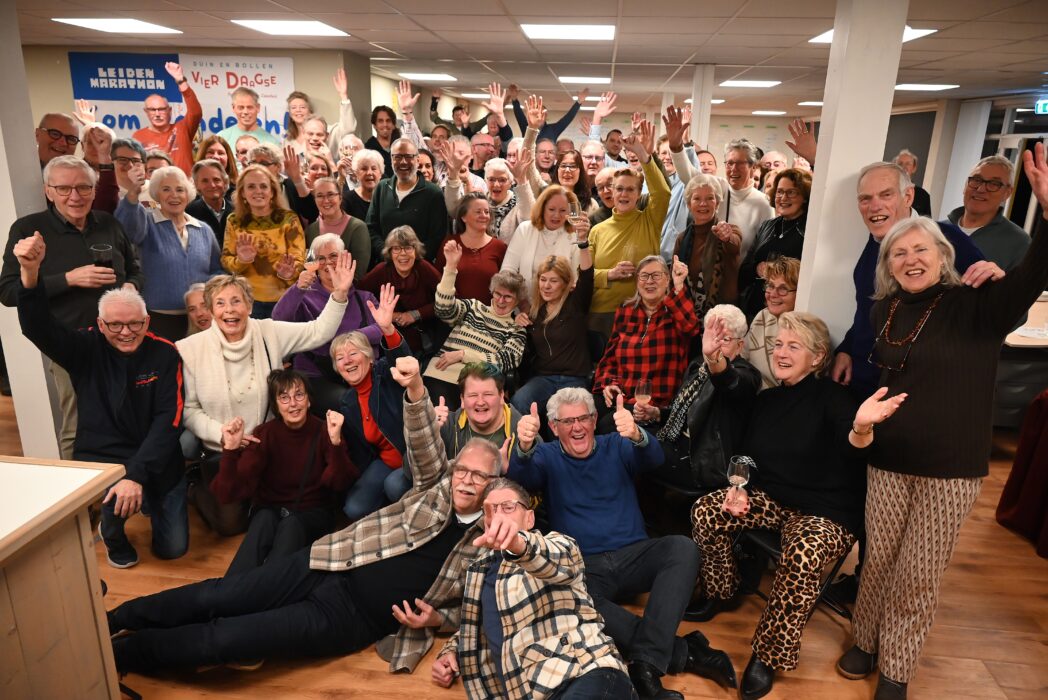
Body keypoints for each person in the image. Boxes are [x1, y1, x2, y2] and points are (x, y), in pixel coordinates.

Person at [106, 355, 496, 676]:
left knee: (227, 639)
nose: (465, 480)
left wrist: (437, 621)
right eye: (461, 469)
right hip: (328, 561)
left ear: (493, 484)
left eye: (478, 476)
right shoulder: (436, 487)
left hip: (350, 616)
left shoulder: (485, 545)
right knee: (220, 595)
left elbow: (474, 608)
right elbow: (424, 440)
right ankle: (119, 616)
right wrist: (415, 389)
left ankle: (122, 655)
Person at [838, 149, 1048, 700]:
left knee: (919, 575)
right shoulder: (886, 309)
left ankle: (898, 668)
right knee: (878, 560)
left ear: (943, 254)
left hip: (950, 469)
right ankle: (864, 639)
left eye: (920, 249)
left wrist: (1046, 215)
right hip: (889, 456)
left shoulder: (978, 304)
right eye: (898, 253)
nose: (910, 259)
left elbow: (1031, 279)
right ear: (887, 265)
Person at [690, 311, 898, 699]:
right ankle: (723, 590)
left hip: (826, 511)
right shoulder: (767, 400)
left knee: (801, 555)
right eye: (777, 345)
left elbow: (852, 450)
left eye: (793, 346)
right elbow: (748, 455)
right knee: (707, 510)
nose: (781, 353)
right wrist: (741, 487)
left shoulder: (837, 400)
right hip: (774, 499)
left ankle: (767, 655)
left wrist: (862, 428)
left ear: (818, 357)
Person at [509, 388, 737, 700]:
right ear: (554, 427)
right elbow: (522, 477)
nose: (577, 427)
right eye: (568, 421)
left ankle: (652, 659)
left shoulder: (615, 445)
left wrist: (637, 435)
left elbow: (654, 457)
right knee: (567, 595)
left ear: (593, 420)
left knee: (682, 548)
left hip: (633, 555)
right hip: (585, 567)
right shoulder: (546, 456)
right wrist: (522, 446)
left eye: (584, 418)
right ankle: (670, 658)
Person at [15, 233, 185, 568]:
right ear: (100, 324)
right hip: (103, 456)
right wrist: (30, 274)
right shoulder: (84, 348)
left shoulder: (165, 353)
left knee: (173, 549)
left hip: (156, 454)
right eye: (115, 325)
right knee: (115, 513)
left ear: (147, 321)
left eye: (134, 323)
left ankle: (145, 493)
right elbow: (37, 326)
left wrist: (137, 475)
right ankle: (112, 531)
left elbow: (170, 421)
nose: (125, 332)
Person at [176, 267, 353, 537]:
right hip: (224, 450)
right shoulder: (190, 349)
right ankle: (194, 487)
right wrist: (221, 434)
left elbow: (318, 331)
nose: (229, 310)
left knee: (268, 511)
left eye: (236, 301)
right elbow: (189, 410)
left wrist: (339, 294)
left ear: (249, 305)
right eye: (220, 303)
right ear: (211, 311)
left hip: (267, 445)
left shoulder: (268, 332)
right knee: (230, 526)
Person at [431, 477, 633, 700]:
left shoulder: (558, 545)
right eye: (491, 510)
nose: (498, 516)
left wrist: (518, 544)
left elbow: (559, 560)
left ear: (529, 518)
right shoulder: (479, 573)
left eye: (508, 508)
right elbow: (480, 627)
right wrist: (450, 652)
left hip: (585, 673)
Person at [0, 155, 143, 459]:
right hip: (69, 342)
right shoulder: (29, 229)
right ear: (48, 191)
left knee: (128, 414)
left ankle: (121, 488)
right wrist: (69, 279)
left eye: (83, 187)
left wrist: (132, 285)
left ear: (94, 189)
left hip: (120, 339)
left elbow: (134, 268)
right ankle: (80, 504)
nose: (75, 196)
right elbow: (8, 292)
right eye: (64, 189)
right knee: (78, 425)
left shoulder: (108, 222)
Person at [830, 162, 994, 403]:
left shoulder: (945, 238)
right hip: (863, 383)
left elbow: (989, 302)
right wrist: (846, 348)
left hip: (915, 392)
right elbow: (866, 310)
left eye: (886, 195)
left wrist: (995, 275)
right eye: (865, 198)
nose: (874, 206)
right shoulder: (874, 242)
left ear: (908, 196)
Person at [212, 368, 357, 574]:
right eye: (284, 397)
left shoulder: (326, 430)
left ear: (308, 400)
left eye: (299, 395)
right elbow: (227, 493)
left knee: (291, 527)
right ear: (276, 405)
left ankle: (268, 592)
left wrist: (335, 443)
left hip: (312, 513)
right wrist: (230, 450)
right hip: (271, 510)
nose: (293, 403)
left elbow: (340, 483)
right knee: (263, 521)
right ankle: (228, 594)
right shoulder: (264, 433)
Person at [654, 305, 760, 493]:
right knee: (621, 433)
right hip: (675, 443)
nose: (716, 344)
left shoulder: (747, 375)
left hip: (702, 464)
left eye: (725, 339)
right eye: (712, 336)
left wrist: (714, 360)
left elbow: (729, 382)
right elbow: (683, 414)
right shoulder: (697, 365)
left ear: (740, 345)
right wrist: (656, 413)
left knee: (629, 447)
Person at [333, 284, 415, 519]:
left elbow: (404, 362)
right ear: (337, 369)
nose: (347, 361)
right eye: (340, 357)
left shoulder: (385, 374)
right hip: (385, 462)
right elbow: (360, 453)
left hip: (414, 457)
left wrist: (387, 328)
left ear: (369, 358)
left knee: (394, 486)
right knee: (353, 508)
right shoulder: (347, 402)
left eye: (353, 353)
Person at [114, 164, 223, 341]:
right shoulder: (147, 221)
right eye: (166, 189)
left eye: (180, 189)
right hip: (158, 319)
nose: (174, 195)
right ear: (157, 194)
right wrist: (133, 193)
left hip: (200, 320)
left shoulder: (203, 229)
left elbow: (217, 270)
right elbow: (126, 231)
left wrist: (205, 291)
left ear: (188, 194)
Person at [593, 255, 699, 432]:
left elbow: (692, 328)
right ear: (637, 282)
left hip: (654, 403)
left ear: (667, 280)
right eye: (644, 276)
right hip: (622, 396)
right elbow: (610, 358)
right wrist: (610, 384)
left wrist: (679, 286)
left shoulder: (675, 311)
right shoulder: (625, 311)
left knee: (606, 427)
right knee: (582, 414)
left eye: (656, 275)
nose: (649, 281)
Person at [273, 235, 379, 410]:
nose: (328, 263)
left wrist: (346, 340)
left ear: (345, 257)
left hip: (362, 372)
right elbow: (279, 319)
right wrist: (297, 288)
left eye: (333, 256)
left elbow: (381, 329)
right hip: (317, 374)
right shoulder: (304, 296)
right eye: (321, 258)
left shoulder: (364, 297)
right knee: (348, 403)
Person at [589, 121, 670, 336]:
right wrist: (611, 274)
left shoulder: (649, 221)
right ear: (612, 193)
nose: (624, 194)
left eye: (630, 189)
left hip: (642, 309)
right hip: (602, 314)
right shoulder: (597, 230)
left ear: (638, 193)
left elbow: (662, 193)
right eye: (619, 189)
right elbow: (585, 275)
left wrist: (643, 154)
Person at [424, 240, 526, 411]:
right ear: (491, 293)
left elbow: (503, 362)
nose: (501, 301)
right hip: (442, 373)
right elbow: (443, 309)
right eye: (498, 294)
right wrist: (450, 268)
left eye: (508, 297)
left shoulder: (516, 329)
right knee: (443, 420)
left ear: (517, 300)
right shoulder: (474, 307)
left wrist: (463, 355)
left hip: (479, 386)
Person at [511, 242, 594, 415]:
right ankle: (528, 442)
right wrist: (518, 321)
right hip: (543, 379)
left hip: (574, 379)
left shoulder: (576, 304)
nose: (546, 286)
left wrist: (583, 243)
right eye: (543, 279)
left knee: (563, 417)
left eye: (553, 281)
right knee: (519, 401)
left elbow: (586, 275)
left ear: (565, 283)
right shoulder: (534, 312)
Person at [220, 163, 305, 319]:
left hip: (284, 299)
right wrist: (243, 260)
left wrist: (289, 273)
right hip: (247, 301)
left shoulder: (289, 219)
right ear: (243, 193)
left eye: (263, 186)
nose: (258, 191)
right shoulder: (234, 220)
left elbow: (299, 259)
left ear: (272, 192)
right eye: (251, 187)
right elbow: (226, 261)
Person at [737, 168, 812, 319]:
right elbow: (744, 272)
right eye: (779, 191)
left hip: (790, 314)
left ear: (804, 197)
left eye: (791, 192)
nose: (783, 197)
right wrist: (757, 269)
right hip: (756, 310)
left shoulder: (810, 229)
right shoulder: (767, 225)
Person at [358, 226, 442, 357]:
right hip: (387, 342)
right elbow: (359, 296)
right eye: (396, 248)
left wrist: (416, 314)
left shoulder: (424, 268)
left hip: (423, 341)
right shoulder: (382, 270)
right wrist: (387, 314)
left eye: (408, 247)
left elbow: (447, 302)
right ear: (390, 252)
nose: (403, 254)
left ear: (415, 250)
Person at [365, 138, 449, 265]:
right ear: (391, 159)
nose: (403, 162)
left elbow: (437, 236)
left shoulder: (433, 193)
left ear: (417, 159)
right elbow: (371, 228)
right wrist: (387, 254)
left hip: (420, 268)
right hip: (386, 265)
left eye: (408, 157)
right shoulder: (381, 188)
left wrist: (410, 259)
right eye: (398, 157)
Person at [673, 174, 741, 318]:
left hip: (723, 316)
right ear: (689, 204)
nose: (703, 204)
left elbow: (734, 244)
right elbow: (676, 275)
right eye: (697, 198)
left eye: (710, 198)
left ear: (717, 203)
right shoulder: (681, 238)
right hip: (688, 316)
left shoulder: (729, 230)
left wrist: (726, 237)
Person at [945, 155, 1031, 271]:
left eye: (994, 184)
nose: (981, 189)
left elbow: (1022, 288)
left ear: (1007, 193)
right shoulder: (936, 230)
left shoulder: (1019, 243)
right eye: (976, 180)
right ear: (965, 185)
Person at [434, 362, 532, 460]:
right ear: (462, 400)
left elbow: (540, 473)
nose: (480, 402)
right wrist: (429, 430)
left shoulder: (524, 432)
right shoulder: (446, 425)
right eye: (473, 395)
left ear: (502, 396)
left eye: (488, 394)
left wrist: (525, 450)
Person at [501, 185, 583, 301]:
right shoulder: (525, 229)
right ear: (542, 208)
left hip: (560, 309)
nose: (556, 215)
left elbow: (576, 280)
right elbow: (507, 271)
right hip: (523, 305)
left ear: (570, 212)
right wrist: (521, 303)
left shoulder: (575, 235)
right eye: (551, 209)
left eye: (563, 210)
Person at [435, 194, 508, 304]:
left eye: (486, 212)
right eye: (478, 212)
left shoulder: (499, 247)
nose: (484, 215)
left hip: (488, 316)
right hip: (453, 315)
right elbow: (437, 278)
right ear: (463, 217)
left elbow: (506, 286)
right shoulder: (450, 243)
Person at [131, 62, 202, 175]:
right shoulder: (138, 137)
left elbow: (196, 112)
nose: (157, 114)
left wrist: (180, 81)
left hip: (185, 188)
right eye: (152, 110)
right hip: (154, 189)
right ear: (146, 112)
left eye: (162, 109)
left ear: (169, 110)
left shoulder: (182, 128)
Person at [744, 257, 801, 390]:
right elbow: (742, 356)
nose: (773, 294)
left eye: (783, 289)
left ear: (799, 293)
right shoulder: (763, 316)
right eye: (770, 286)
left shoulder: (804, 329)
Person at [306, 176, 371, 276]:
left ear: (340, 197)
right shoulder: (311, 230)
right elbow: (310, 267)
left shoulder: (357, 228)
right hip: (318, 290)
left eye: (330, 194)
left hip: (348, 289)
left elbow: (359, 273)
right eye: (319, 196)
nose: (326, 200)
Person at [186, 158, 233, 246]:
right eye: (205, 181)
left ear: (225, 182)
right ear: (197, 185)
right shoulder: (188, 214)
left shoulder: (238, 211)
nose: (212, 185)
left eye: (216, 179)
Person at [343, 148, 384, 221]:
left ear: (380, 173)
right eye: (364, 169)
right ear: (356, 173)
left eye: (374, 168)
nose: (369, 173)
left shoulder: (387, 198)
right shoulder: (347, 199)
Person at [892, 149, 931, 216]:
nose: (903, 167)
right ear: (895, 167)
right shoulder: (887, 191)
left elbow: (926, 223)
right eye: (900, 164)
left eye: (908, 164)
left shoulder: (923, 196)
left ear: (914, 168)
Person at [366, 105, 400, 177]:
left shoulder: (400, 149)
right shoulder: (367, 150)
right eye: (380, 121)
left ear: (393, 125)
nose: (385, 124)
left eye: (388, 121)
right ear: (374, 125)